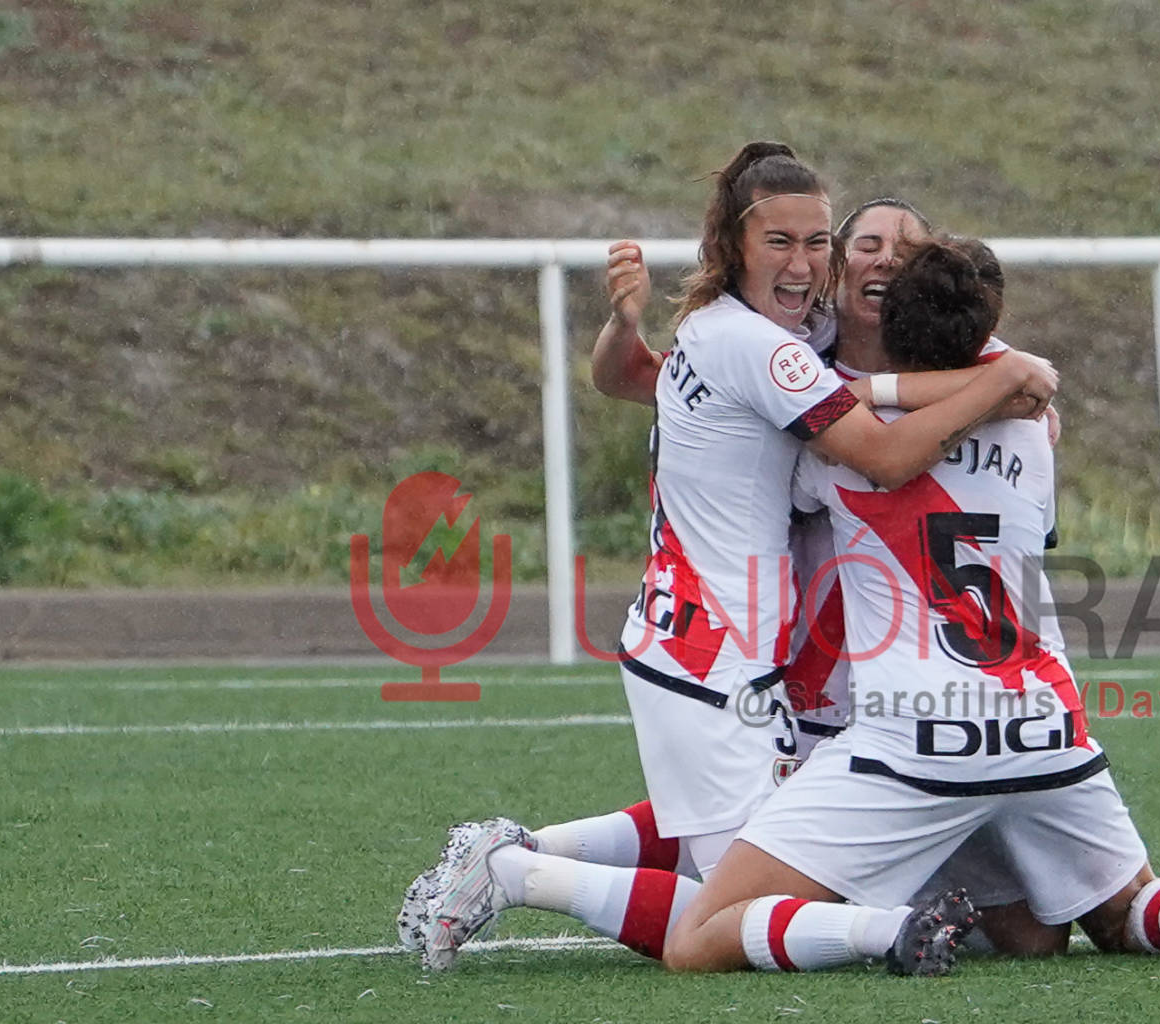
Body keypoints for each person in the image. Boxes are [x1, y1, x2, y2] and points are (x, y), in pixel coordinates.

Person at [403, 142, 1057, 971]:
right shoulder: (759, 346)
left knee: (757, 835)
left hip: (730, 643)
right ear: (733, 247)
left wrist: (622, 327)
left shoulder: (779, 332)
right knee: (734, 909)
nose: (803, 261)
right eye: (781, 242)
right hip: (706, 651)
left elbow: (629, 377)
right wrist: (1001, 386)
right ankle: (515, 873)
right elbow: (887, 459)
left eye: (815, 240)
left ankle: (516, 847)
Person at [655, 236, 1160, 975]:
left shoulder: (835, 454)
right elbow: (989, 408)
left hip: (918, 742)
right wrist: (1002, 378)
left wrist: (856, 391)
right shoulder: (1034, 431)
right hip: (1047, 727)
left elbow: (804, 461)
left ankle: (882, 933)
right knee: (1112, 914)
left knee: (697, 934)